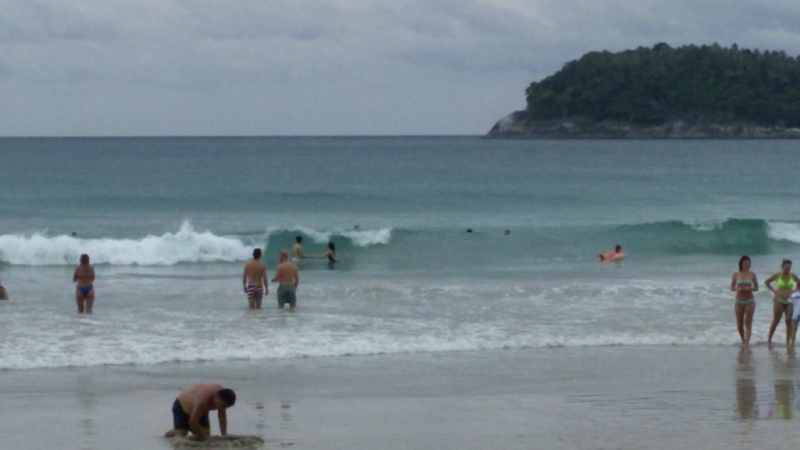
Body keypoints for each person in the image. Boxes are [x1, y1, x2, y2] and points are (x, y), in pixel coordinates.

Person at [164, 384, 236, 441]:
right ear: (217, 397)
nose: (222, 408)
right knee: (181, 436)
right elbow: (193, 421)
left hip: (200, 411)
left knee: (205, 433)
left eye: (226, 407)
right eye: (222, 405)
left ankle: (191, 429)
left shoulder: (222, 396)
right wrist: (205, 438)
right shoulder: (203, 400)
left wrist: (224, 435)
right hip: (182, 406)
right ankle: (173, 432)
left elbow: (222, 416)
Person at [766, 259, 800, 345]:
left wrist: (795, 290)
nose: (788, 269)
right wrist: (774, 291)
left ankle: (788, 342)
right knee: (776, 321)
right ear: (782, 267)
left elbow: (799, 283)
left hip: (790, 300)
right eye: (786, 267)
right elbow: (767, 282)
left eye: (789, 267)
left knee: (788, 321)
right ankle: (769, 340)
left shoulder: (792, 276)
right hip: (779, 300)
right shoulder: (778, 275)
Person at [731, 255, 758, 345]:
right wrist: (737, 289)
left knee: (748, 322)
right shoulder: (736, 274)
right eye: (745, 263)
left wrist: (749, 288)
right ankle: (743, 340)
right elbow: (732, 287)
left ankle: (747, 342)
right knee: (739, 323)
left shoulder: (752, 274)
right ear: (741, 263)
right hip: (739, 301)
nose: (747, 264)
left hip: (749, 300)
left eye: (748, 263)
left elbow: (756, 287)